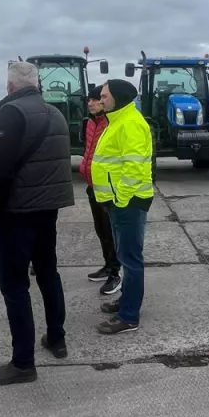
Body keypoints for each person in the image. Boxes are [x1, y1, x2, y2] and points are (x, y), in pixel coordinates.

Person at [0, 61, 75, 386]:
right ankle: (56, 338)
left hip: (16, 213)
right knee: (48, 273)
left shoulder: (11, 114)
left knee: (15, 286)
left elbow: (0, 169)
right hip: (48, 211)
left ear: (9, 86)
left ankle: (23, 363)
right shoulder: (56, 113)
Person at [91, 79, 153, 335]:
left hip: (127, 202)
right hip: (118, 202)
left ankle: (129, 317)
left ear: (117, 97)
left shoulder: (130, 123)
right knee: (125, 256)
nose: (101, 99)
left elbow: (135, 167)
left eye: (105, 95)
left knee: (131, 259)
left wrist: (120, 199)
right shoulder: (117, 120)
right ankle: (126, 301)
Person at [80, 84, 121, 295]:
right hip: (91, 185)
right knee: (101, 230)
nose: (91, 103)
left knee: (111, 231)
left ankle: (116, 273)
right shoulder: (89, 124)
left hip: (107, 187)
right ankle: (107, 265)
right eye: (89, 100)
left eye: (95, 99)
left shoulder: (111, 124)